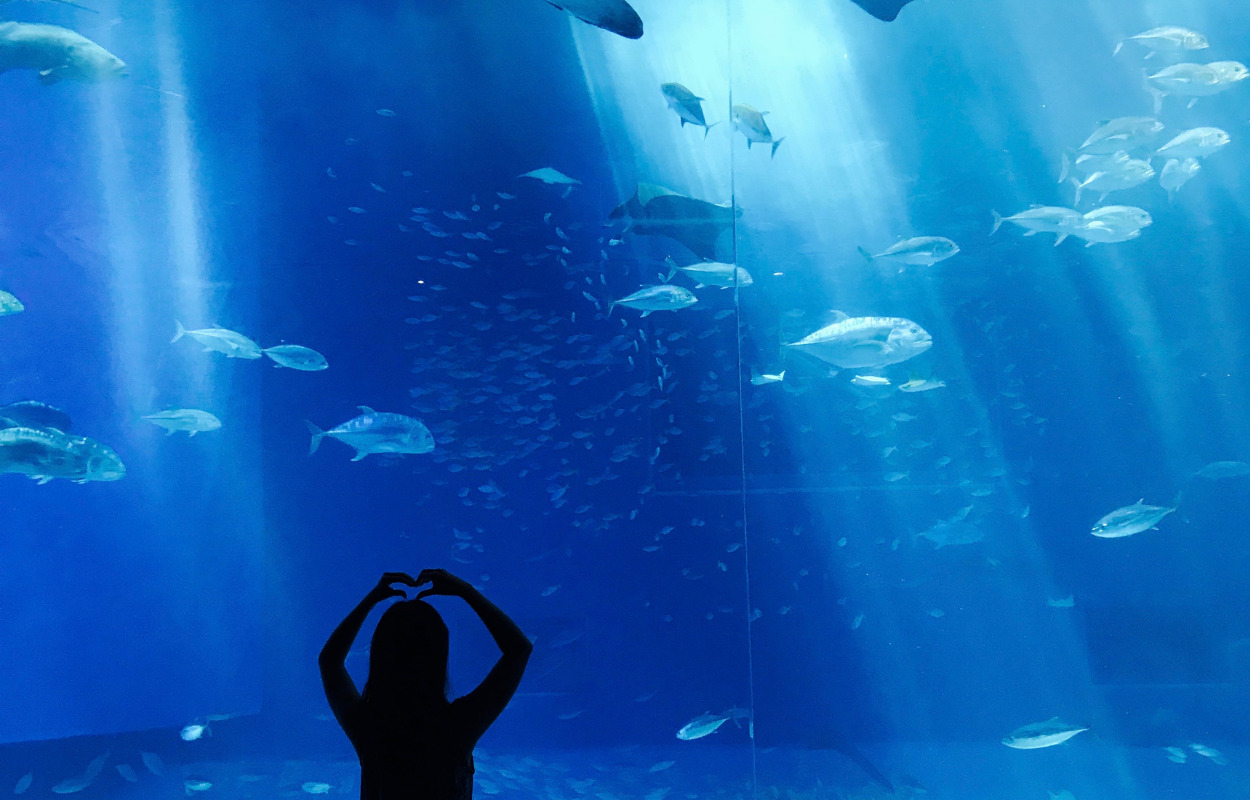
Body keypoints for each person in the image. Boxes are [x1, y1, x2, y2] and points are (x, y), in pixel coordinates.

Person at [319, 569, 533, 800]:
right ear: (439, 656)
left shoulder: (369, 727)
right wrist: (465, 591)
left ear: (379, 654)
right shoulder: (458, 726)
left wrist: (371, 599)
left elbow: (330, 661)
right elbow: (518, 650)